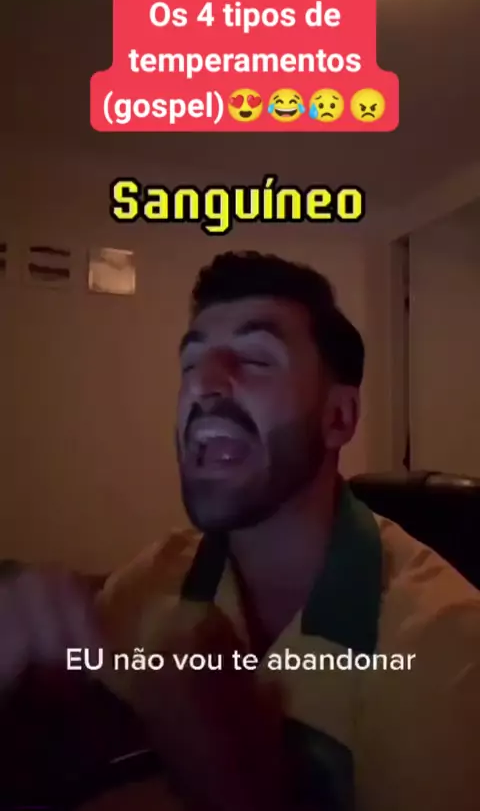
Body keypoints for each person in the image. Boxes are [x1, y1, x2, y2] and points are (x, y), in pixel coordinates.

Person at [1, 251, 479, 811]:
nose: (203, 385)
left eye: (255, 358)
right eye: (191, 363)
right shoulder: (159, 575)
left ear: (338, 418)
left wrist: (229, 765)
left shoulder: (447, 642)